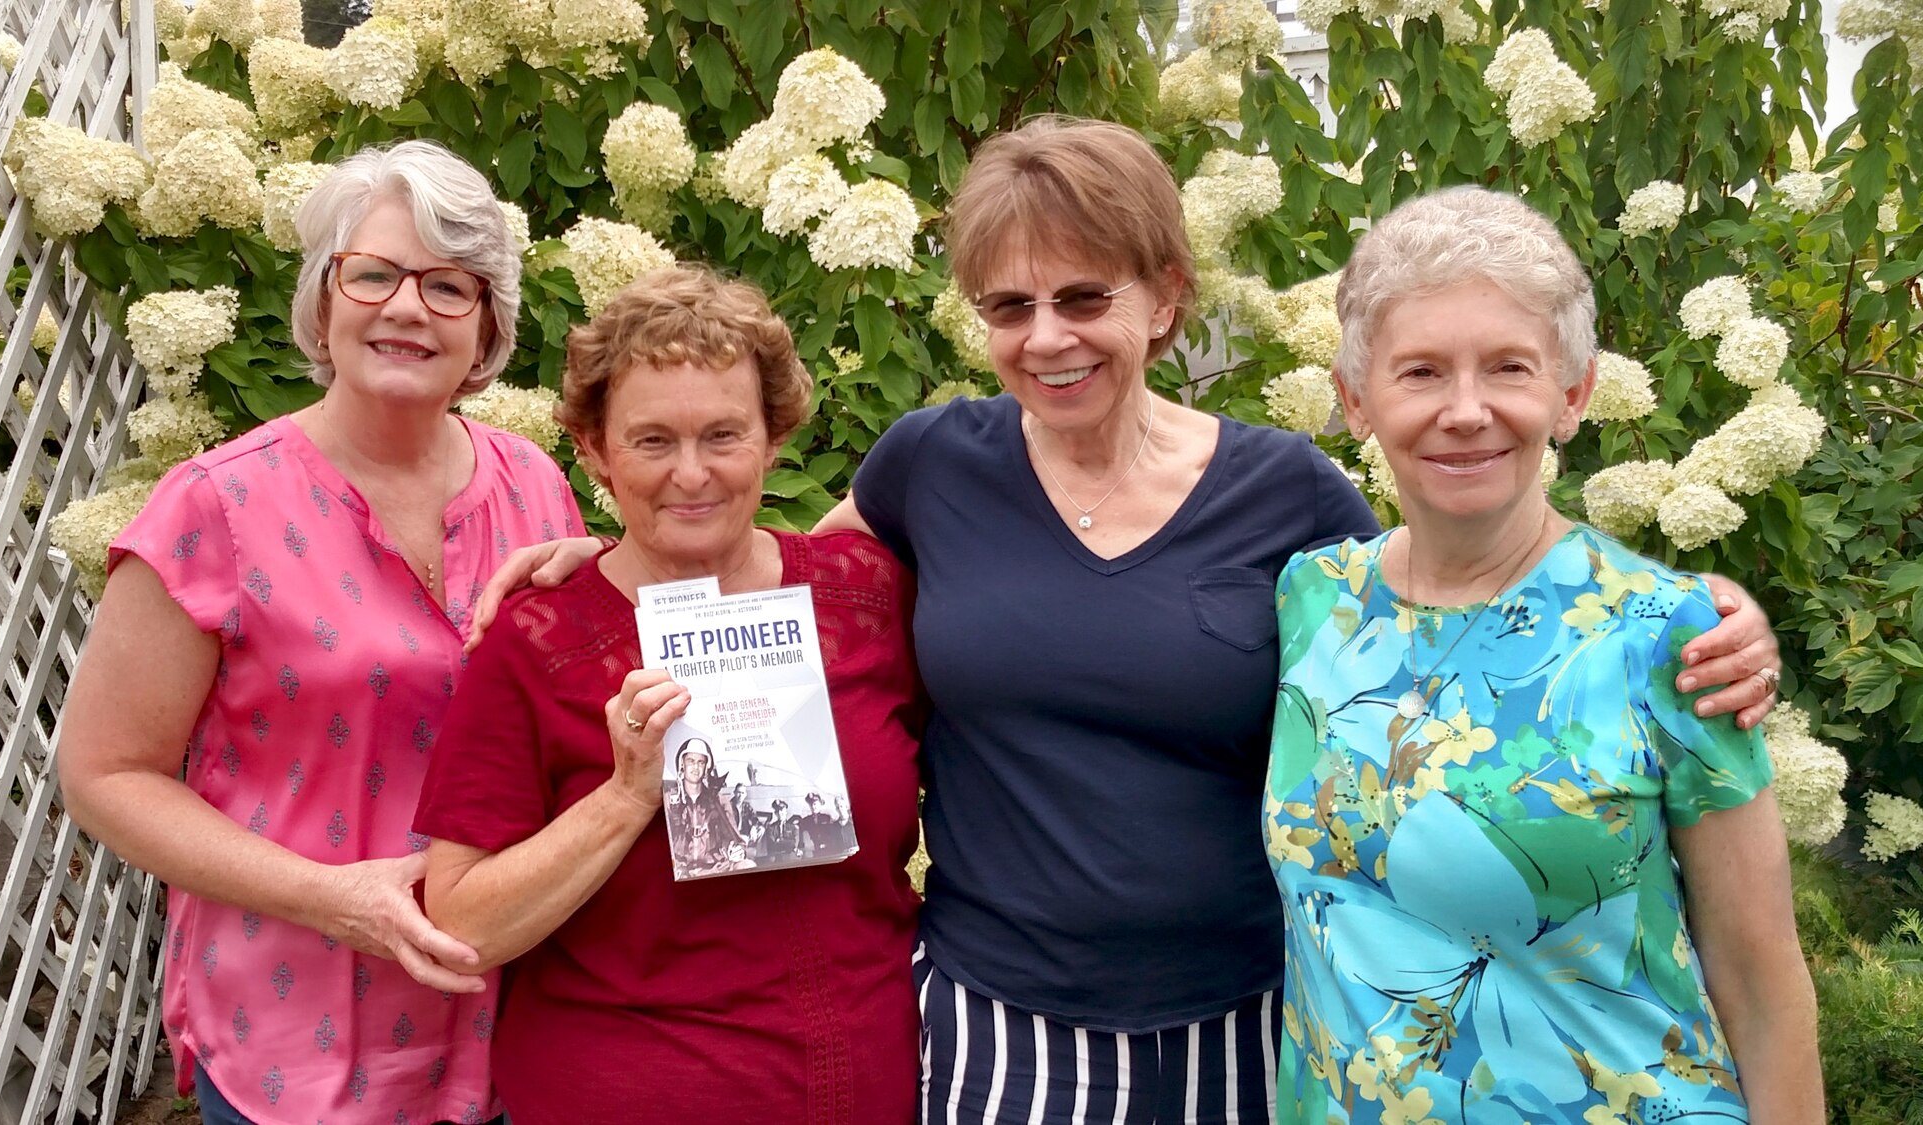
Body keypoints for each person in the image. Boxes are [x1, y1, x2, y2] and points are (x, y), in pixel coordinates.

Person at [467, 117, 1783, 1123]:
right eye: (1010, 306)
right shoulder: (934, 464)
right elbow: (778, 575)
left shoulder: (1289, 496)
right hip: (996, 1017)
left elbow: (1453, 604)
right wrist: (614, 550)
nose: (1049, 337)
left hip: (1243, 1018)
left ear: (1164, 295)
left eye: (1085, 297)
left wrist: (1702, 618)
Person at [1264, 186, 1820, 1123]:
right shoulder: (1313, 599)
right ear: (1356, 399)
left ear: (1572, 395)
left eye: (1509, 368)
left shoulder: (1668, 635)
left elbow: (1763, 982)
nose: (1467, 410)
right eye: (1422, 372)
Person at [56, 141, 581, 1125]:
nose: (406, 306)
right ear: (324, 301)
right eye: (373, 273)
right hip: (297, 1036)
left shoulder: (535, 486)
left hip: (509, 1019)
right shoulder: (214, 506)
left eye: (447, 285)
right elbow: (106, 774)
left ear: (489, 325)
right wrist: (330, 898)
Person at [412, 266, 925, 1124]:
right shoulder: (541, 640)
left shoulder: (865, 597)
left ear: (773, 437)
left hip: (868, 1079)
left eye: (723, 434)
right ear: (595, 451)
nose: (692, 474)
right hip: (629, 1091)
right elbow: (464, 921)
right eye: (652, 441)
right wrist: (624, 797)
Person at [666, 738, 750, 876]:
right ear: (682, 764)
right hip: (681, 870)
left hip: (715, 868)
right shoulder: (669, 800)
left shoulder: (719, 802)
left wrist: (738, 851)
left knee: (747, 865)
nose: (696, 767)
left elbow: (736, 840)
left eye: (701, 762)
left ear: (706, 767)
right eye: (691, 761)